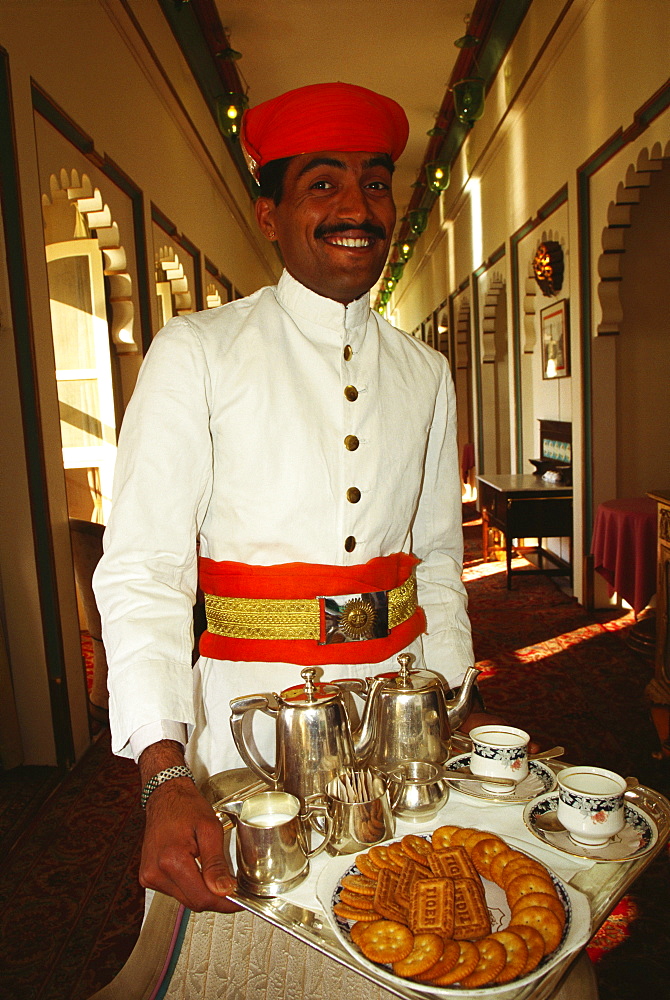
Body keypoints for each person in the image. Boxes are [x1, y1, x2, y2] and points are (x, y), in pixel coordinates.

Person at [93, 82, 508, 916]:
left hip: (397, 722)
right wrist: (164, 774)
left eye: (377, 181)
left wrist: (448, 699)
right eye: (322, 183)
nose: (357, 205)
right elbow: (144, 572)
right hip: (242, 734)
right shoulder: (197, 354)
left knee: (400, 924)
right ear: (270, 214)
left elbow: (435, 560)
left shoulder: (426, 374)